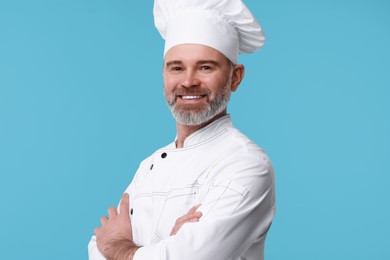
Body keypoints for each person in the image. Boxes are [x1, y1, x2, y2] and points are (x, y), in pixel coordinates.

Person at [88, 0, 276, 259]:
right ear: (164, 75)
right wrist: (167, 245)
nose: (188, 82)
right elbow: (96, 247)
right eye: (176, 68)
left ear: (235, 77)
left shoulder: (247, 164)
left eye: (205, 67)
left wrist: (118, 247)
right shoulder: (149, 166)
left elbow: (112, 247)